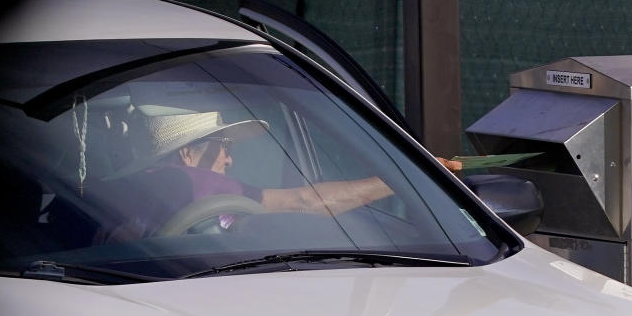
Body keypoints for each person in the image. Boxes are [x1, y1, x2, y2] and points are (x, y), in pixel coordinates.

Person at [95, 105, 457, 242]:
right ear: (188, 151)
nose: (229, 159)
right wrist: (407, 178)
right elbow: (304, 202)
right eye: (224, 145)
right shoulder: (194, 180)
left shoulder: (131, 188)